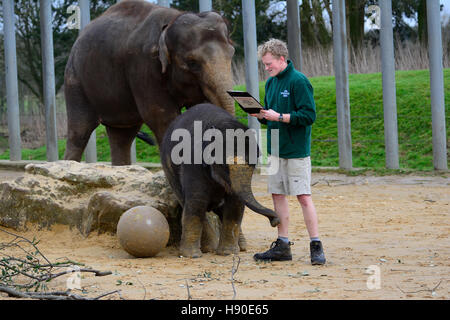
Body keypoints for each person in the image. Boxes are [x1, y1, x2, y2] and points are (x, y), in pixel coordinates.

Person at [250, 39, 325, 265]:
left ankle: (316, 245)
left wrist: (280, 117)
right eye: (264, 64)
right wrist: (262, 116)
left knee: (303, 196)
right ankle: (283, 244)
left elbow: (309, 116)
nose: (266, 68)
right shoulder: (271, 84)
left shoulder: (299, 81)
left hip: (296, 150)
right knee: (277, 195)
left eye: (269, 63)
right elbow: (271, 117)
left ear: (282, 59)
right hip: (274, 149)